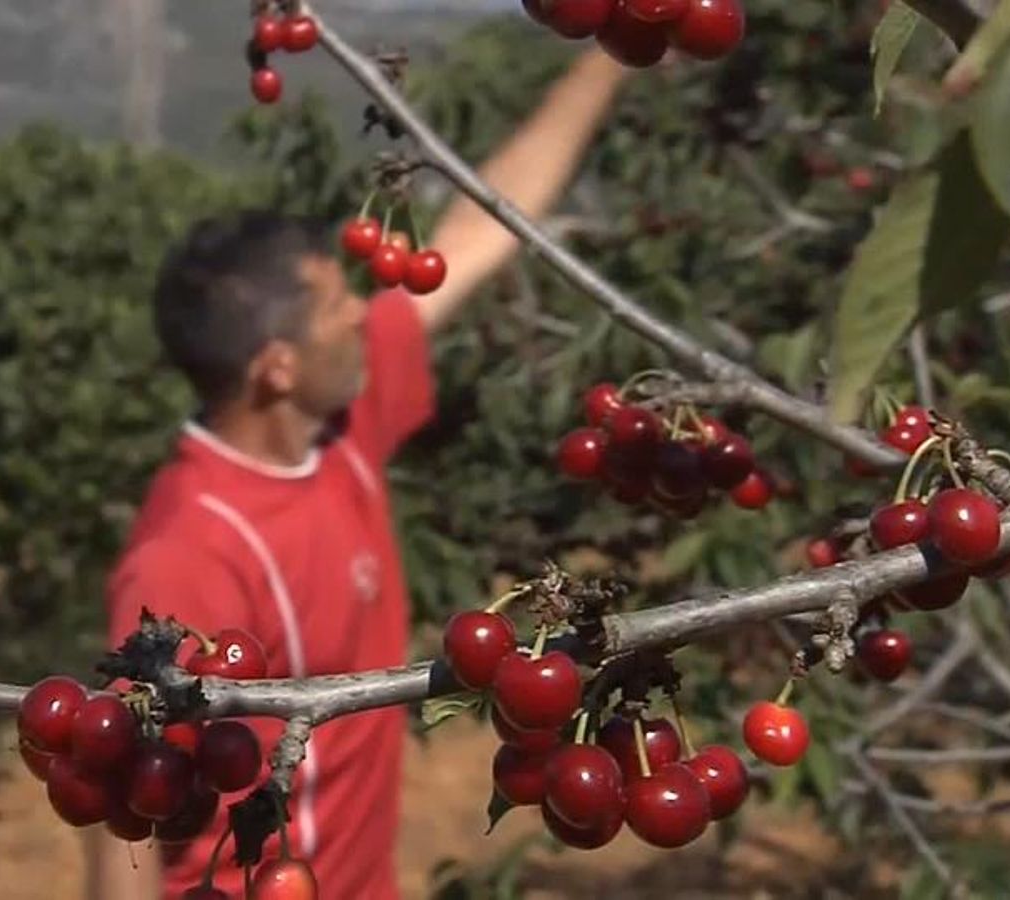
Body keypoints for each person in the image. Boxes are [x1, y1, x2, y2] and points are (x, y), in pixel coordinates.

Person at [85, 45, 631, 900]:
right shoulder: (191, 551)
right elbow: (118, 807)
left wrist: (610, 55)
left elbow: (480, 231)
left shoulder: (337, 430)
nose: (361, 318)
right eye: (339, 308)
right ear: (277, 368)